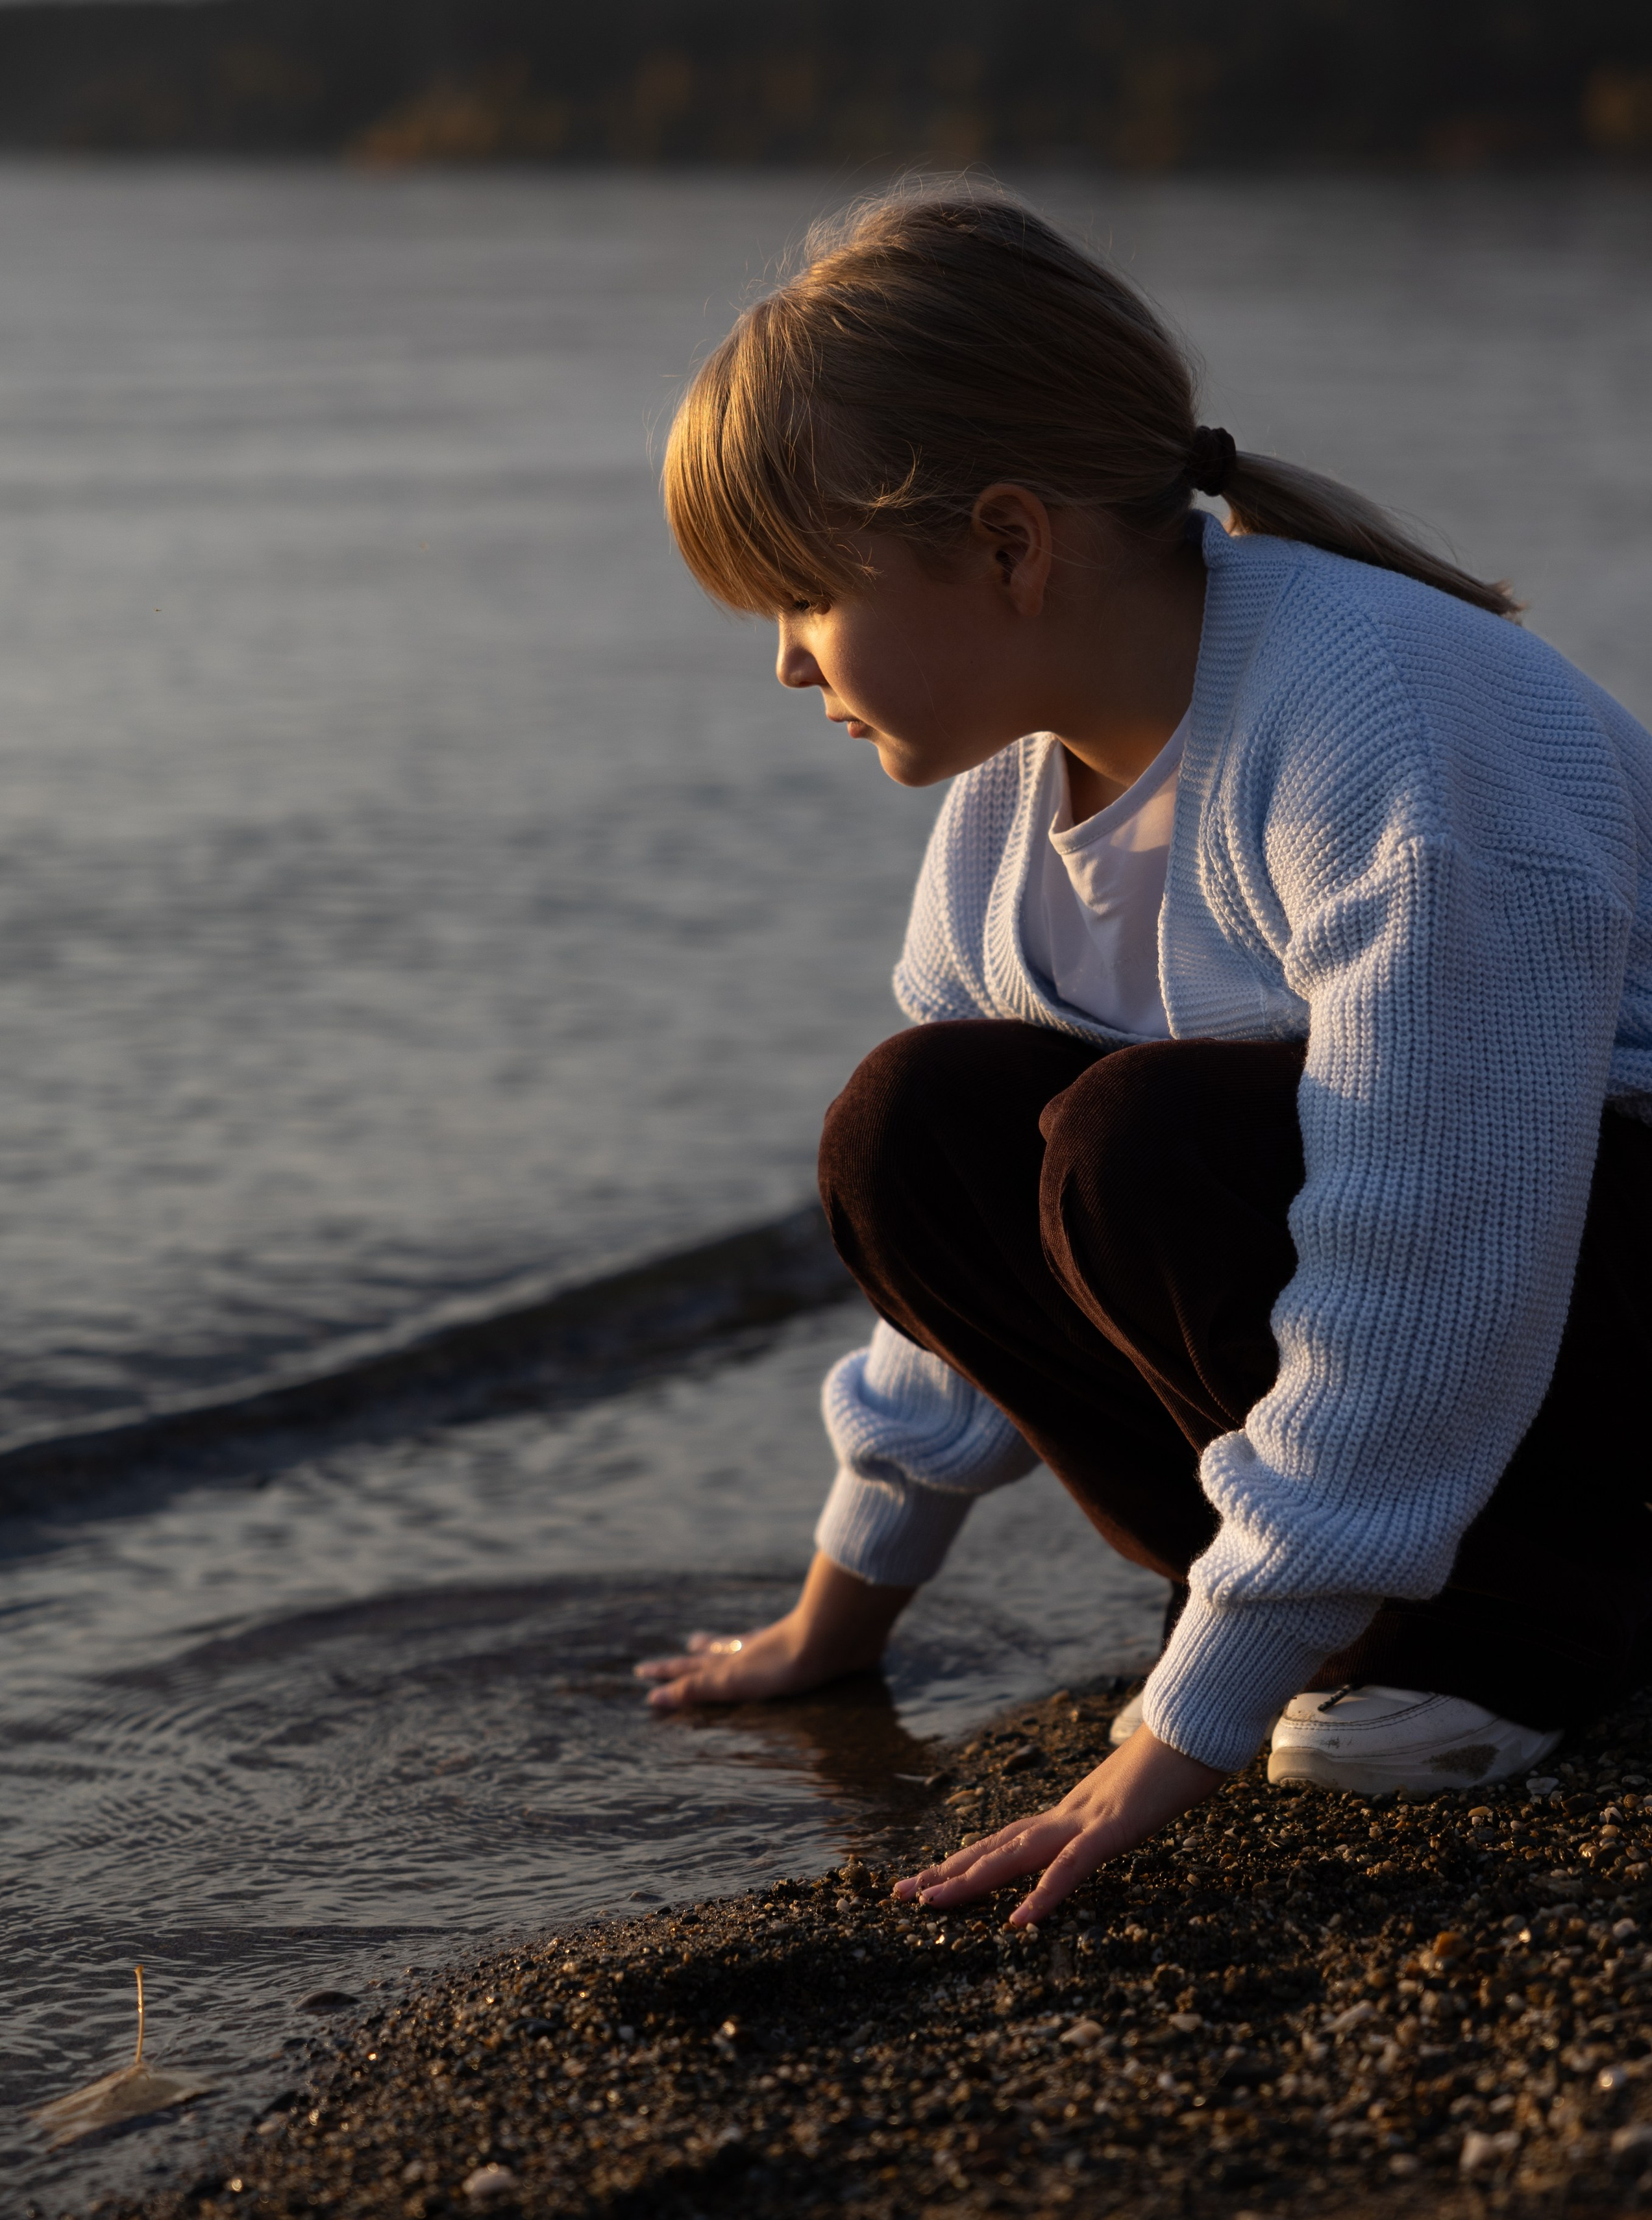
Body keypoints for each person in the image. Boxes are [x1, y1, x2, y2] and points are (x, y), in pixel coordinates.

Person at [634, 185, 1652, 1927]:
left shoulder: (1384, 733)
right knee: (917, 1123)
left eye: (800, 598)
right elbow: (938, 1305)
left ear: (1012, 547)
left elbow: (1439, 1253)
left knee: (1136, 1141)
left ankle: (1517, 1633)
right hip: (1463, 1372)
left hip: (1574, 1298)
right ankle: (1338, 1599)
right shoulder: (1024, 806)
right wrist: (838, 1618)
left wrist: (1177, 1735)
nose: (787, 663)